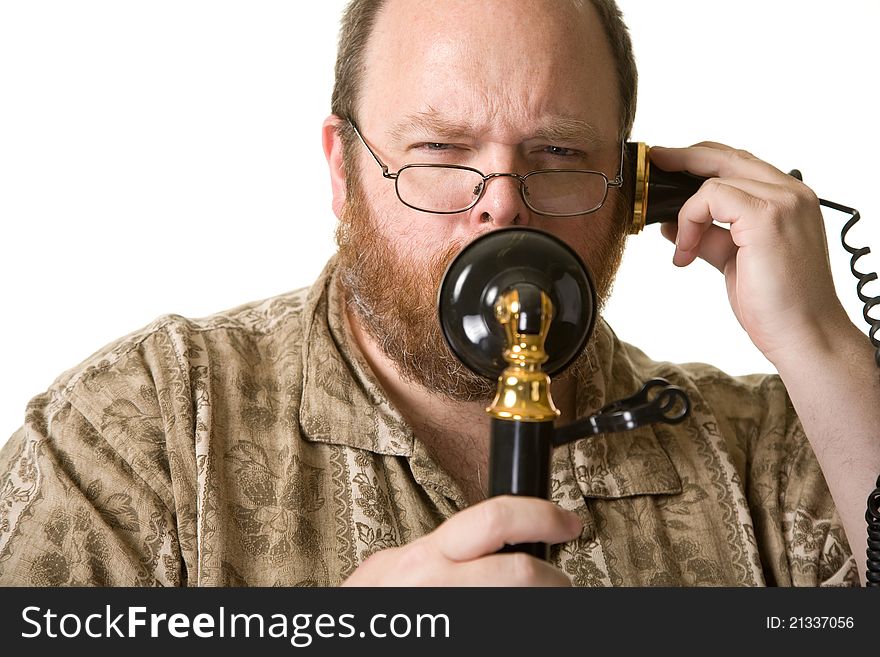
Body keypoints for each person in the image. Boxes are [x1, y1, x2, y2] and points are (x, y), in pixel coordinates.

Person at [1, 0, 877, 587]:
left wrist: (824, 346)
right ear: (344, 172)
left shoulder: (777, 451)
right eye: (439, 151)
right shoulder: (139, 429)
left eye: (560, 155)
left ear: (634, 189)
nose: (500, 203)